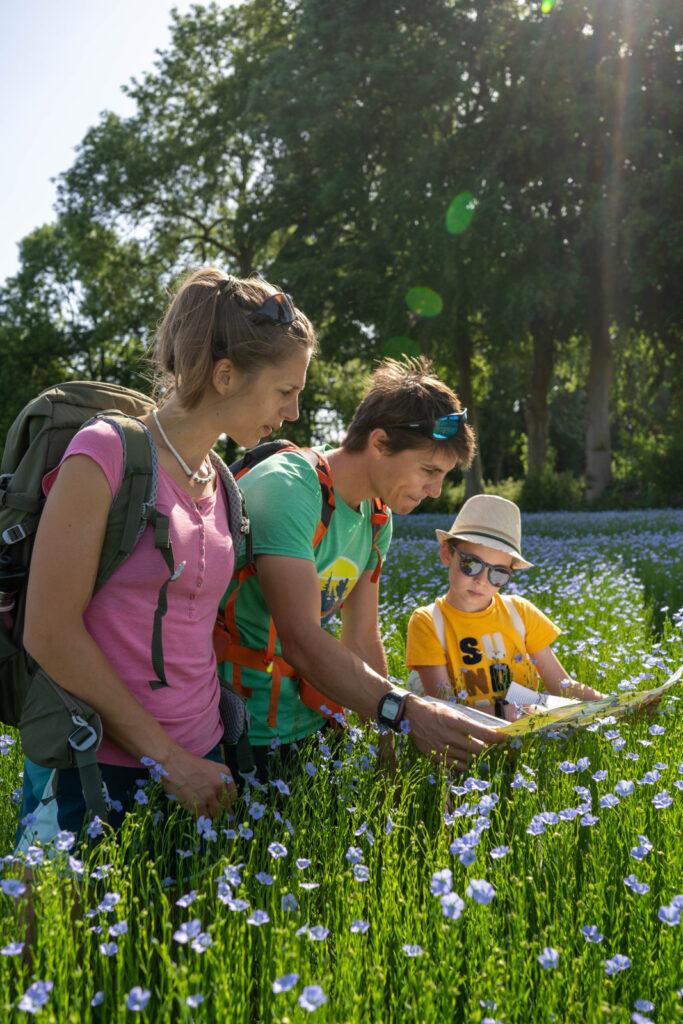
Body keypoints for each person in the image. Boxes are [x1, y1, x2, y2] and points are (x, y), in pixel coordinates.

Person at [16, 268, 317, 846]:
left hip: (204, 765)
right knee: (58, 937)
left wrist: (198, 755)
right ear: (225, 376)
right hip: (92, 765)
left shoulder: (224, 479)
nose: (295, 413)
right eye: (286, 390)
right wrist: (168, 760)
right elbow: (48, 632)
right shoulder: (105, 452)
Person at [215, 357, 506, 779]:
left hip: (313, 719)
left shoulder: (376, 518)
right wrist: (404, 711)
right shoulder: (291, 487)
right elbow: (300, 640)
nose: (435, 490)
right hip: (241, 729)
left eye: (443, 475)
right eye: (428, 470)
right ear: (381, 442)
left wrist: (387, 748)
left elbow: (363, 638)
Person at [405, 494, 604, 718]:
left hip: (527, 732)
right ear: (446, 554)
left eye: (498, 573)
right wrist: (506, 712)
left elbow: (561, 686)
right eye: (471, 564)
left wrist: (613, 704)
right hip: (467, 742)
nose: (481, 580)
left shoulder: (520, 612)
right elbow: (442, 711)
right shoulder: (428, 621)